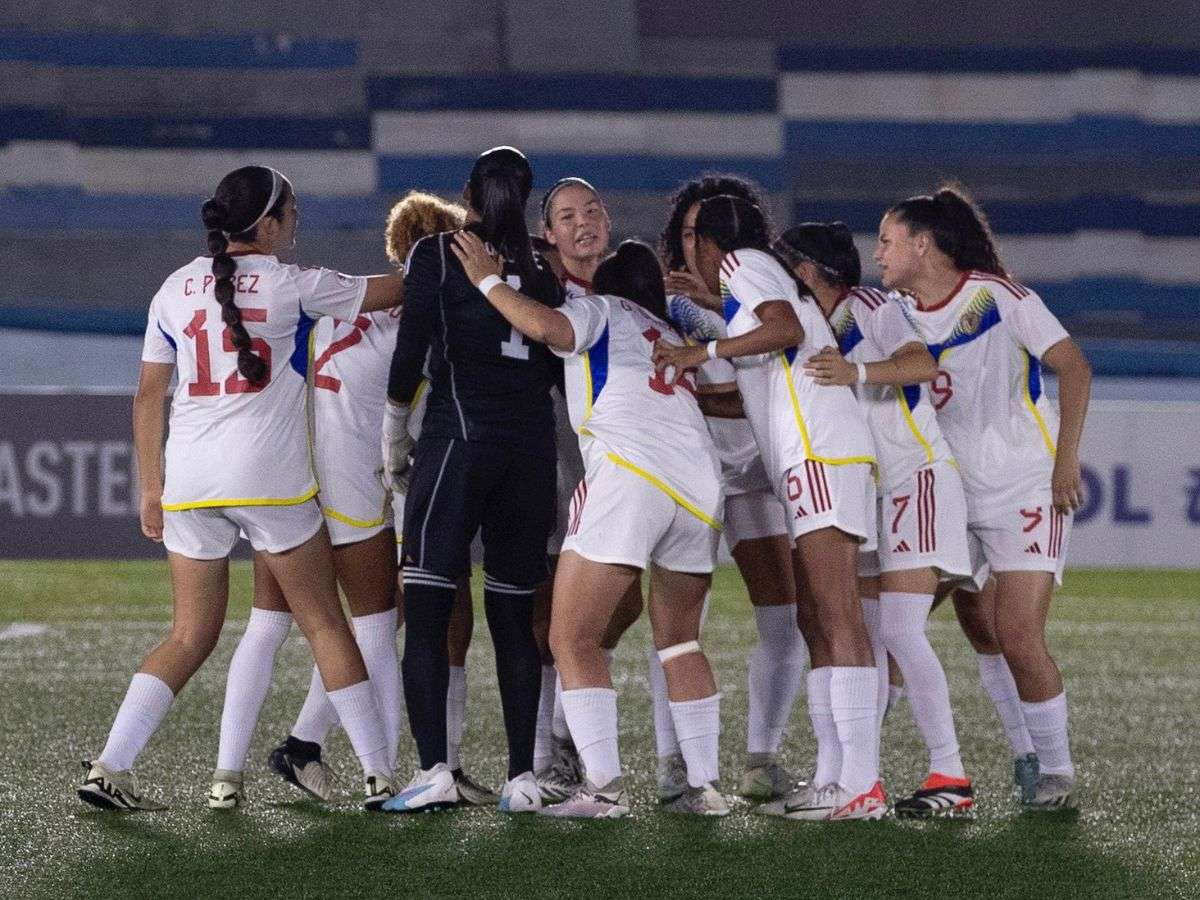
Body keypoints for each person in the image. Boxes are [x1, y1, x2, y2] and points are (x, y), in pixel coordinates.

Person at [78, 165, 404, 812]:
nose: (299, 222)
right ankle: (378, 777)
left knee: (188, 636)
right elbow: (390, 292)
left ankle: (111, 767)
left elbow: (149, 394)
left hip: (190, 481)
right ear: (269, 224)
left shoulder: (172, 288)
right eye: (294, 212)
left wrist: (151, 488)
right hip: (269, 481)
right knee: (323, 624)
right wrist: (465, 265)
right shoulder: (293, 283)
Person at [210, 191, 495, 808]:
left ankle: (269, 758)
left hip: (291, 477)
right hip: (359, 483)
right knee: (382, 620)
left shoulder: (344, 305)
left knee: (284, 622)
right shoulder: (423, 322)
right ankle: (393, 773)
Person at [454, 234, 727, 818]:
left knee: (570, 637)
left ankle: (601, 789)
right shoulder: (672, 332)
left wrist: (486, 280)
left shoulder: (602, 308)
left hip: (630, 475)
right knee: (680, 639)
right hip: (701, 487)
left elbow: (552, 330)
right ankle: (702, 788)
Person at [654, 195, 886, 822]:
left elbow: (782, 328)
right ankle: (837, 780)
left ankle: (862, 785)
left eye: (694, 235)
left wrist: (699, 353)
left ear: (712, 241)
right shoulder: (750, 281)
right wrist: (712, 320)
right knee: (820, 618)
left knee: (838, 620)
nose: (688, 248)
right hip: (814, 455)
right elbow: (770, 350)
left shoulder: (742, 264)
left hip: (819, 454)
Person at [875, 185, 1091, 809]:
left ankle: (1055, 771)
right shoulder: (896, 313)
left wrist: (1065, 460)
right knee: (930, 625)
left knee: (1017, 634)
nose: (879, 254)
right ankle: (859, 763)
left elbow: (1074, 367)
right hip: (946, 491)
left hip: (1024, 485)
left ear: (922, 243)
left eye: (887, 240)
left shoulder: (999, 298)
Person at [381, 147, 560, 813]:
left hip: (458, 443)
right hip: (530, 454)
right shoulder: (546, 265)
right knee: (514, 617)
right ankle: (521, 778)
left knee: (427, 608)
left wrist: (394, 427)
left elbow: (412, 349)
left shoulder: (438, 253)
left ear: (467, 193)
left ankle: (435, 770)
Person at [775, 221, 975, 817]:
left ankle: (951, 774)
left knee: (897, 632)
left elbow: (920, 365)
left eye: (787, 271)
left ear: (806, 273)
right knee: (856, 633)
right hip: (878, 493)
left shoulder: (869, 305)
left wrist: (855, 372)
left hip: (918, 479)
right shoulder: (827, 325)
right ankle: (843, 777)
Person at [658, 175, 806, 804]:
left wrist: (714, 370)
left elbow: (758, 363)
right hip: (689, 465)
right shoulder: (660, 297)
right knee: (678, 623)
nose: (696, 248)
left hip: (754, 463)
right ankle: (673, 763)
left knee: (783, 614)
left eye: (706, 234)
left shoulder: (746, 288)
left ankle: (760, 759)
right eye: (688, 234)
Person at [532, 177, 645, 803]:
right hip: (556, 449)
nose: (584, 223)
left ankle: (565, 734)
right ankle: (552, 749)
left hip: (625, 459)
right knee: (554, 601)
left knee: (619, 604)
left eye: (593, 210)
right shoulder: (546, 289)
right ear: (550, 232)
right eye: (568, 215)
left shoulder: (629, 282)